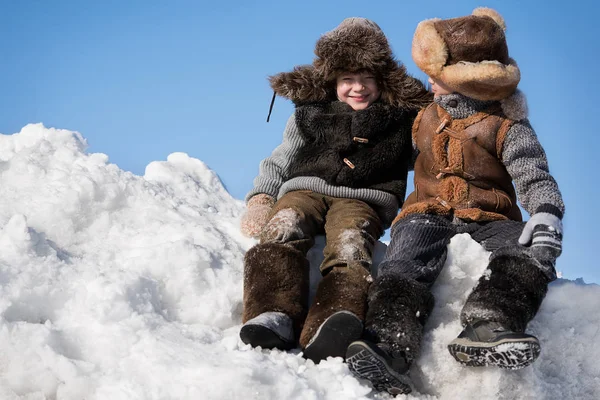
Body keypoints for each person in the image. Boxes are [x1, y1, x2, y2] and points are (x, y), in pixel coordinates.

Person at [345, 7, 565, 395]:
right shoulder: (423, 113)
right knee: (404, 261)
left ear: (466, 78)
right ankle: (390, 344)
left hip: (490, 215)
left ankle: (490, 323)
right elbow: (384, 117)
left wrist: (545, 212)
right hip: (425, 212)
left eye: (437, 74)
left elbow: (531, 170)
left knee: (526, 253)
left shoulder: (507, 123)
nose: (428, 80)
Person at [238, 17, 431, 364]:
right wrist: (262, 198)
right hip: (304, 189)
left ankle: (333, 318)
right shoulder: (311, 113)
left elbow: (427, 158)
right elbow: (281, 158)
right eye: (347, 79)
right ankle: (271, 313)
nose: (357, 88)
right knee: (284, 224)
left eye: (366, 79)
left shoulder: (400, 119)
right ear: (332, 80)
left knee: (351, 243)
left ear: (382, 80)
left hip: (363, 198)